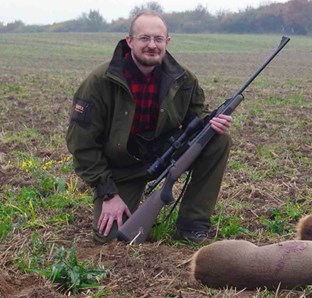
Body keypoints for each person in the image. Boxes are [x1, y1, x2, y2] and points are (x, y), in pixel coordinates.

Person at [66, 10, 232, 244]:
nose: (152, 45)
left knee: (217, 139)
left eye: (158, 39)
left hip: (167, 157)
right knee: (113, 240)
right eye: (144, 38)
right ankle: (130, 204)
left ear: (168, 42)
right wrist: (108, 193)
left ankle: (192, 225)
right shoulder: (99, 82)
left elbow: (198, 115)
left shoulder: (184, 79)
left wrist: (211, 121)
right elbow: (82, 145)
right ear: (129, 41)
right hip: (121, 168)